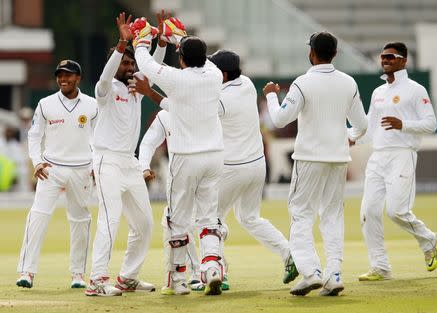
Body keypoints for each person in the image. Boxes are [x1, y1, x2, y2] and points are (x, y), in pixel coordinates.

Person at [263, 31, 367, 297]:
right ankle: (334, 274)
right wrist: (350, 137)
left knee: (301, 213)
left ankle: (311, 272)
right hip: (338, 158)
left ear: (311, 53)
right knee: (332, 215)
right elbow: (362, 125)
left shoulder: (302, 83)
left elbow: (279, 120)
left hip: (309, 158)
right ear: (335, 53)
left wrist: (272, 96)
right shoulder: (348, 82)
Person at [133, 27, 225, 295]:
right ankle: (211, 268)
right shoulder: (215, 75)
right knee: (208, 218)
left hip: (186, 158)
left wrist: (142, 40)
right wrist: (177, 38)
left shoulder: (175, 78)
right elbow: (201, 57)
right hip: (214, 156)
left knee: (178, 220)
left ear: (181, 58)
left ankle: (180, 280)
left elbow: (146, 65)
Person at [85, 13, 165, 296]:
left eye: (131, 62)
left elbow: (154, 68)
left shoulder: (136, 89)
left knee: (144, 223)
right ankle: (95, 281)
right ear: (116, 63)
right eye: (124, 63)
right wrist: (121, 43)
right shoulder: (105, 89)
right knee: (110, 219)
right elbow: (106, 76)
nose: (129, 67)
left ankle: (128, 276)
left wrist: (163, 41)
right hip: (106, 161)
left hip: (129, 162)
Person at [209, 50, 296, 288]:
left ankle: (217, 270)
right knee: (249, 217)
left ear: (224, 74)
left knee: (210, 218)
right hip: (257, 165)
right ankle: (289, 253)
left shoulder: (220, 100)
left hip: (232, 168)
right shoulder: (246, 83)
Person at [356, 42, 437, 281]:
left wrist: (404, 125)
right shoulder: (378, 92)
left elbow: (430, 124)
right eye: (383, 57)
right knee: (368, 212)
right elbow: (370, 129)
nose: (385, 60)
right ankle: (380, 267)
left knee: (396, 211)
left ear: (403, 61)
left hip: (402, 153)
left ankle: (429, 239)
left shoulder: (415, 90)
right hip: (378, 156)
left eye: (391, 57)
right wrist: (352, 137)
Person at [16, 59, 97, 289]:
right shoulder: (45, 104)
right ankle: (27, 272)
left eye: (68, 75)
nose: (63, 79)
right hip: (51, 169)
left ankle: (78, 274)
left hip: (82, 168)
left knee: (80, 220)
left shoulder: (91, 105)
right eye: (60, 75)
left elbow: (98, 138)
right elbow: (34, 135)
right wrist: (38, 161)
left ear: (78, 78)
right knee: (38, 216)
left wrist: (95, 164)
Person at [138, 107, 203, 294]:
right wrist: (144, 165)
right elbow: (148, 143)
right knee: (184, 221)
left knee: (180, 221)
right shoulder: (165, 114)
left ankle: (192, 274)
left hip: (199, 171)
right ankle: (208, 270)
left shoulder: (202, 106)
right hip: (190, 170)